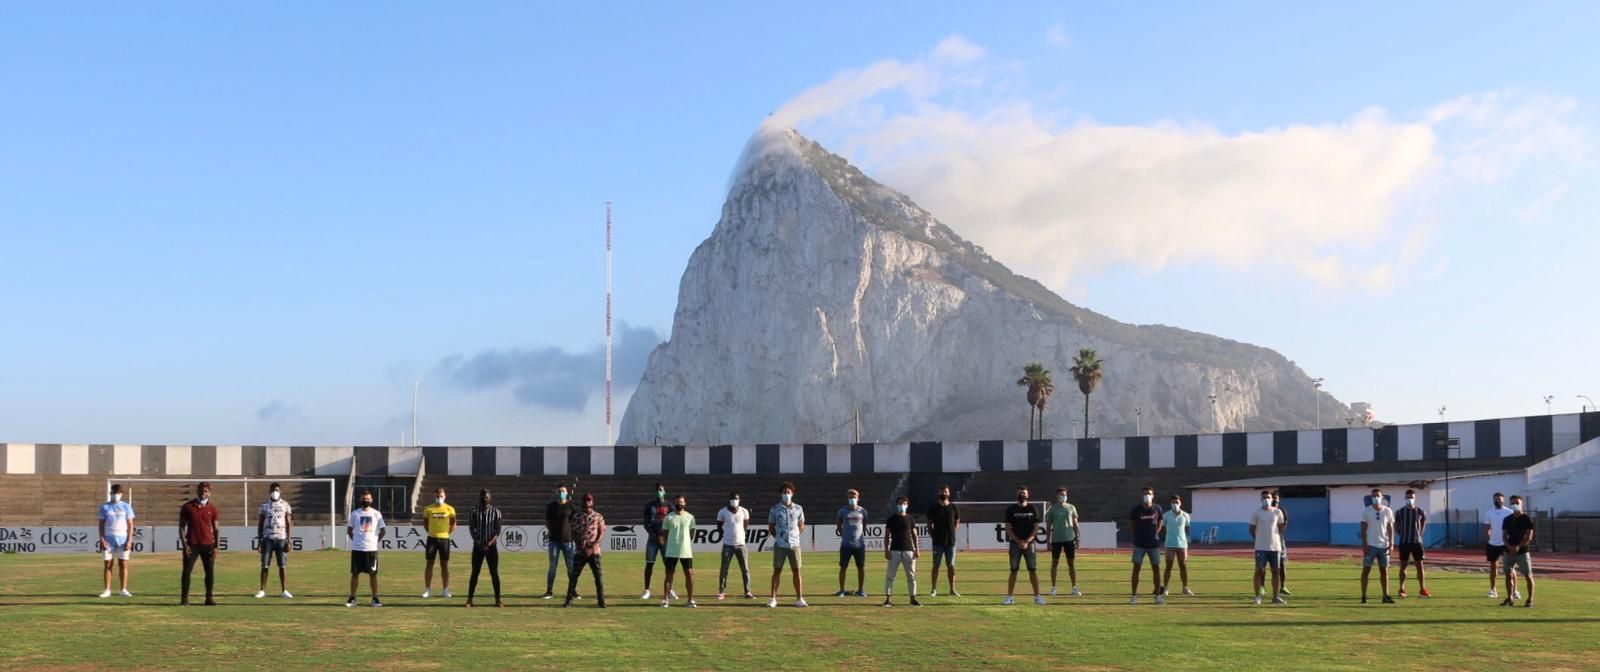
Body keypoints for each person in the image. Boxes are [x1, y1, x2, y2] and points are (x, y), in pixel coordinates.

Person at [177, 482, 220, 606]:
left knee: (209, 572)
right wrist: (185, 546)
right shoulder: (187, 507)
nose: (203, 493)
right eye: (201, 490)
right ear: (197, 491)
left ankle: (209, 598)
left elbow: (216, 528)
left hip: (208, 545)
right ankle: (184, 598)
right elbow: (181, 527)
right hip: (192, 544)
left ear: (209, 493)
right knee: (186, 571)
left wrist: (216, 546)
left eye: (206, 491)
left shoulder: (212, 509)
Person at [767, 481, 808, 608]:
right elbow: (771, 526)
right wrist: (779, 537)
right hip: (780, 545)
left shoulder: (798, 508)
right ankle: (773, 598)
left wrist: (795, 535)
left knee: (796, 571)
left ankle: (799, 598)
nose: (786, 494)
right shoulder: (774, 509)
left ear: (792, 494)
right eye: (784, 492)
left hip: (795, 545)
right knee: (777, 571)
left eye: (788, 492)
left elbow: (802, 525)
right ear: (781, 494)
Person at [1003, 485, 1045, 606]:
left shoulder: (1033, 508)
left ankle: (1037, 597)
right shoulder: (1010, 509)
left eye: (1024, 493)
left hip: (1029, 544)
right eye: (1020, 493)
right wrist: (1018, 541)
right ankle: (1009, 597)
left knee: (1032, 570)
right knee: (1013, 570)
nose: (1022, 495)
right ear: (1017, 495)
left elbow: (1036, 528)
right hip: (1015, 545)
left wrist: (1027, 541)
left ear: (1028, 495)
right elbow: (1008, 528)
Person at [564, 493, 607, 608]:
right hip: (580, 551)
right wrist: (581, 547)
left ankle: (601, 601)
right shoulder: (576, 516)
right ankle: (569, 600)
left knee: (598, 576)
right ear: (582, 501)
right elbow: (573, 532)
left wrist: (592, 546)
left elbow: (601, 533)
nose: (587, 502)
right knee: (574, 576)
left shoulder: (598, 516)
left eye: (589, 500)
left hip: (594, 551)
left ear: (592, 502)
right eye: (585, 500)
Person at [345, 490, 386, 607]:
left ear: (372, 500)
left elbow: (383, 530)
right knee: (355, 573)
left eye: (368, 499)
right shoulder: (355, 514)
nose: (365, 500)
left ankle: (375, 598)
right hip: (357, 549)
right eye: (364, 498)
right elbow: (349, 530)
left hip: (371, 550)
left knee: (373, 574)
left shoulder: (376, 514)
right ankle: (352, 598)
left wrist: (375, 541)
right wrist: (357, 541)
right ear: (360, 499)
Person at [465, 489, 504, 608]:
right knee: (475, 573)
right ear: (479, 497)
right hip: (478, 547)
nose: (484, 499)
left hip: (491, 547)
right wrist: (478, 542)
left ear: (490, 498)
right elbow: (472, 529)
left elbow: (497, 530)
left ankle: (498, 600)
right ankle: (469, 600)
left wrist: (489, 543)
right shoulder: (473, 511)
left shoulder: (496, 512)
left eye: (486, 497)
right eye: (482, 496)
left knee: (494, 573)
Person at [255, 482, 293, 599]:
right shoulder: (264, 505)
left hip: (281, 539)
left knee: (282, 566)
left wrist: (289, 540)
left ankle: (284, 590)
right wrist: (260, 541)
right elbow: (260, 524)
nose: (275, 492)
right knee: (265, 565)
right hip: (267, 539)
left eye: (277, 490)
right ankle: (262, 590)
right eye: (273, 490)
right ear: (269, 492)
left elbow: (288, 523)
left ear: (280, 491)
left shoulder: (285, 505)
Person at [97, 483, 136, 598]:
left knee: (123, 563)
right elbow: (101, 524)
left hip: (123, 539)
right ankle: (107, 589)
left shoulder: (126, 507)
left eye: (118, 493)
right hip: (108, 539)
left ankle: (123, 589)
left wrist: (129, 540)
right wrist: (102, 539)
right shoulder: (105, 507)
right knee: (108, 564)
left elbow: (130, 524)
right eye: (113, 493)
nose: (115, 495)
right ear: (110, 494)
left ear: (121, 494)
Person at [882, 496, 921, 607]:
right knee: (890, 576)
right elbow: (886, 535)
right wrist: (886, 550)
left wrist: (917, 550)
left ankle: (913, 598)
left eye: (904, 503)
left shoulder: (910, 518)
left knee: (911, 576)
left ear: (907, 505)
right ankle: (888, 599)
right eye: (900, 503)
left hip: (909, 550)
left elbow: (914, 535)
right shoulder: (891, 519)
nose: (902, 505)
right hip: (894, 550)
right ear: (896, 504)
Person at [1129, 486, 1165, 605]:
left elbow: (1160, 522)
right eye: (1145, 494)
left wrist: (1156, 532)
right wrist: (1138, 535)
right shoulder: (1136, 509)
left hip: (1153, 544)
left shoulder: (1157, 508)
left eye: (1149, 493)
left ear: (1153, 495)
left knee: (1156, 569)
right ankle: (1134, 596)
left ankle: (1158, 596)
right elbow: (1132, 524)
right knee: (1136, 569)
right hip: (1139, 544)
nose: (1147, 496)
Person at [1359, 488, 1396, 605]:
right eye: (1373, 496)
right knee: (1366, 570)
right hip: (1370, 545)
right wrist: (1364, 543)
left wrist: (1391, 542)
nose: (1375, 498)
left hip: (1384, 545)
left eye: (1377, 496)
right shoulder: (1366, 511)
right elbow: (1363, 527)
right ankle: (1364, 596)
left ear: (1382, 497)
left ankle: (1386, 595)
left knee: (1384, 571)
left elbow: (1390, 527)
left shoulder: (1388, 511)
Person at [660, 494, 698, 608]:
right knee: (669, 575)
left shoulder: (690, 517)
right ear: (674, 503)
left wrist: (684, 542)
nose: (679, 504)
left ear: (685, 503)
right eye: (677, 502)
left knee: (689, 574)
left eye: (681, 502)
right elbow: (665, 534)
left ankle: (690, 600)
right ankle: (666, 599)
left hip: (686, 551)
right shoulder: (669, 517)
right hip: (671, 550)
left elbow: (691, 534)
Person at [1249, 489, 1285, 605]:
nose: (1266, 500)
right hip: (1261, 547)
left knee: (1276, 571)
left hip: (1275, 547)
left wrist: (1274, 538)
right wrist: (1259, 539)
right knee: (1259, 570)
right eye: (1264, 498)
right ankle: (1257, 596)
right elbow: (1251, 529)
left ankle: (1276, 597)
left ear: (1272, 499)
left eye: (1268, 497)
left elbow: (1280, 527)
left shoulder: (1277, 512)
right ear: (1261, 500)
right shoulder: (1256, 513)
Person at [1500, 495, 1536, 608]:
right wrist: (1509, 546)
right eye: (1512, 503)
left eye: (1517, 503)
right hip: (1508, 551)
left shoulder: (1526, 519)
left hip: (1522, 551)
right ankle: (1510, 598)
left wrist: (1518, 547)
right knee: (1508, 574)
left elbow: (1528, 537)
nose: (1515, 505)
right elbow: (1504, 536)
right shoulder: (1507, 519)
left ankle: (1530, 599)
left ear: (1521, 504)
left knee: (1528, 575)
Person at [716, 491, 753, 600]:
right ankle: (721, 591)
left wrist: (741, 535)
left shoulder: (744, 511)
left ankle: (747, 591)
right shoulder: (722, 512)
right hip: (727, 544)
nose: (734, 501)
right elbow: (719, 526)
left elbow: (745, 525)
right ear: (729, 500)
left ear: (739, 500)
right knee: (724, 568)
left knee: (745, 569)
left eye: (736, 499)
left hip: (741, 544)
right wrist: (725, 535)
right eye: (732, 499)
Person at [925, 484, 961, 597]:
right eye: (942, 491)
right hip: (937, 542)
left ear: (949, 493)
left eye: (945, 491)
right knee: (936, 565)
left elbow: (957, 521)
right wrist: (933, 535)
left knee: (951, 565)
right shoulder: (933, 507)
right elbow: (929, 524)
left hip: (951, 542)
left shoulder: (954, 507)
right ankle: (933, 589)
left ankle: (952, 589)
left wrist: (952, 532)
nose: (943, 493)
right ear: (938, 493)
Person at [1394, 488, 1430, 598]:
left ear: (1415, 498)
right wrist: (1400, 532)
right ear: (1405, 498)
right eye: (1408, 497)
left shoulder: (1420, 511)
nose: (1410, 499)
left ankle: (1422, 589)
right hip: (1404, 542)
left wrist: (1420, 533)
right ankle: (1402, 589)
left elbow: (1424, 521)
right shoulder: (1400, 512)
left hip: (1416, 542)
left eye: (1411, 498)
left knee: (1419, 565)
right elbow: (1396, 524)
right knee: (1403, 565)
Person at [542, 483, 576, 600]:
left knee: (571, 567)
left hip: (568, 542)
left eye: (563, 491)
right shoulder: (551, 506)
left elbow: (575, 521)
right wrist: (553, 530)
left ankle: (573, 591)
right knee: (552, 566)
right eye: (559, 491)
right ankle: (549, 591)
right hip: (554, 542)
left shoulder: (571, 506)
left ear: (567, 492)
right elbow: (547, 522)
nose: (561, 493)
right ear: (556, 493)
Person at [420, 487, 455, 599]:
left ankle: (445, 590)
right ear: (434, 496)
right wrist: (432, 532)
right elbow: (425, 524)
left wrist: (447, 534)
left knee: (444, 565)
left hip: (444, 539)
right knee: (429, 564)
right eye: (437, 496)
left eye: (441, 496)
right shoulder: (428, 509)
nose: (439, 498)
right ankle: (427, 589)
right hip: (432, 539)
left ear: (445, 496)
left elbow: (453, 523)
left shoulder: (450, 509)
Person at [1046, 486, 1080, 597]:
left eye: (1064, 495)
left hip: (1069, 539)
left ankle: (1074, 587)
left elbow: (1075, 523)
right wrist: (1048, 541)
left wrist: (1078, 537)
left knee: (1071, 564)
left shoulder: (1071, 507)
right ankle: (1053, 588)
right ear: (1057, 496)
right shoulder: (1052, 509)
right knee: (1054, 563)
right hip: (1056, 540)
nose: (1063, 496)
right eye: (1061, 495)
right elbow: (1048, 525)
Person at [835, 489, 868, 597]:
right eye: (850, 497)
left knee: (861, 567)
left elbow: (865, 524)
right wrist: (843, 534)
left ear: (858, 498)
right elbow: (838, 524)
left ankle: (861, 590)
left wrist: (860, 535)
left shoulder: (863, 511)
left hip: (859, 545)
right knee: (843, 567)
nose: (852, 499)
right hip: (846, 545)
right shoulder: (842, 511)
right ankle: (841, 590)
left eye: (854, 496)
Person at [641, 483, 671, 600]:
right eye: (657, 490)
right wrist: (653, 535)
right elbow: (645, 523)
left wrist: (664, 536)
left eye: (660, 490)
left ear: (664, 491)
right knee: (649, 564)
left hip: (665, 539)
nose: (659, 491)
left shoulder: (669, 506)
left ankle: (670, 589)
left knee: (668, 565)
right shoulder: (649, 505)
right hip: (652, 539)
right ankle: (647, 590)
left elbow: (673, 522)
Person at [1162, 494, 1195, 597]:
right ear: (1170, 504)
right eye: (1173, 502)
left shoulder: (1185, 515)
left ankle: (1185, 587)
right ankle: (1166, 588)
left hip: (1182, 544)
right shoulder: (1166, 515)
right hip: (1170, 544)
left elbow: (1187, 527)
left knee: (1183, 566)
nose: (1175, 504)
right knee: (1168, 566)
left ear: (1180, 503)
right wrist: (1167, 537)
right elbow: (1162, 528)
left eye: (1177, 502)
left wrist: (1184, 538)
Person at [1484, 492, 1515, 600]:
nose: (1498, 501)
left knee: (1511, 569)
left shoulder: (1509, 512)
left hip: (1506, 543)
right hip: (1493, 544)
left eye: (1500, 499)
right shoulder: (1489, 512)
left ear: (1503, 500)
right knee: (1493, 568)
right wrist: (1489, 540)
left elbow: (1513, 528)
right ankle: (1493, 590)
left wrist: (1511, 542)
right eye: (1496, 499)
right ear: (1493, 500)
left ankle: (1514, 590)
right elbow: (1487, 528)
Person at [1271, 491, 1290, 595]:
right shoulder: (1265, 511)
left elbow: (1283, 526)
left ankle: (1283, 586)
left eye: (1276, 500)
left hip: (1279, 540)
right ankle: (1262, 587)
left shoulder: (1282, 511)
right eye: (1273, 499)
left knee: (1282, 564)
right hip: (1267, 541)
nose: (1275, 501)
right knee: (1263, 566)